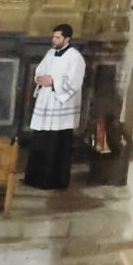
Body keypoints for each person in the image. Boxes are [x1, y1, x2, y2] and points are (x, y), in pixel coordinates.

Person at [25, 24, 85, 191]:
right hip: (46, 102)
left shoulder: (75, 57)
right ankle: (35, 178)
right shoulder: (51, 53)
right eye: (54, 37)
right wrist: (40, 78)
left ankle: (54, 181)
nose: (54, 40)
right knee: (41, 140)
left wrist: (53, 83)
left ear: (67, 39)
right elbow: (40, 69)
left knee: (57, 143)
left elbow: (75, 81)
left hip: (60, 105)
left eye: (57, 37)